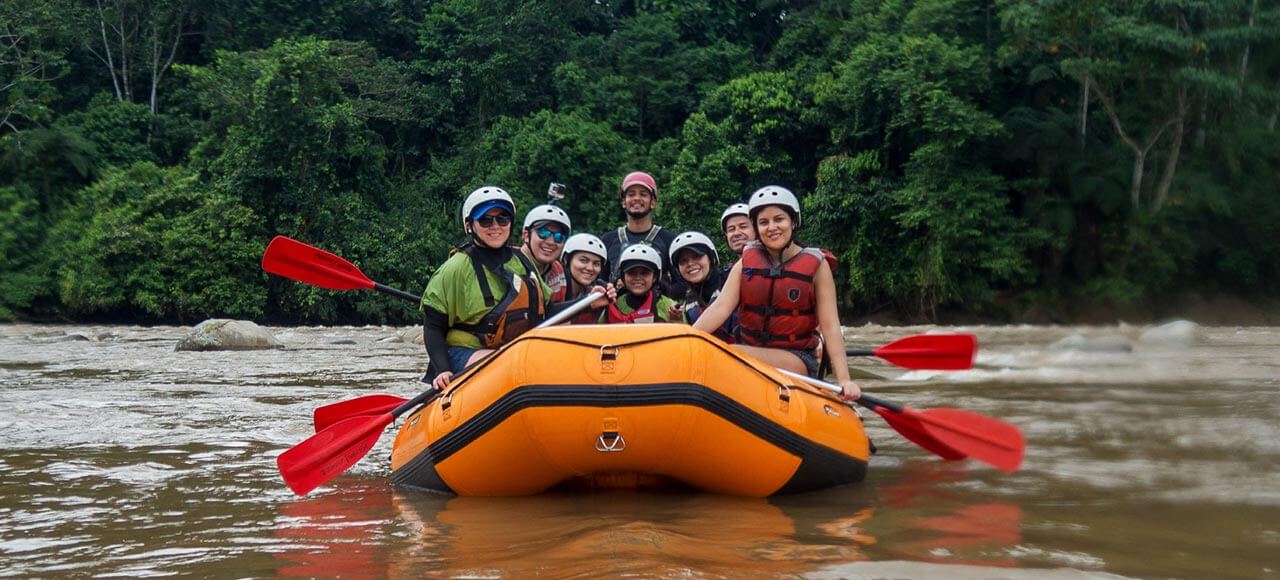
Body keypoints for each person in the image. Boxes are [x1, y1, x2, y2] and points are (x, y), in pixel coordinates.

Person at [421, 186, 613, 390]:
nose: (495, 226)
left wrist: (587, 303)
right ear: (470, 226)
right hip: (462, 352)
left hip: (510, 351)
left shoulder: (523, 263)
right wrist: (442, 369)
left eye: (502, 219)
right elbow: (433, 325)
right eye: (486, 220)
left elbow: (545, 313)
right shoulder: (455, 268)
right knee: (511, 364)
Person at [691, 186, 861, 401]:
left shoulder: (818, 266)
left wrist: (844, 380)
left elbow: (830, 326)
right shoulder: (746, 263)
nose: (772, 228)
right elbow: (720, 308)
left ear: (793, 222)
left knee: (726, 352)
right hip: (751, 350)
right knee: (720, 351)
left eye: (779, 219)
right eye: (763, 222)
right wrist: (688, 338)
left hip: (796, 358)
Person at [602, 171, 680, 292]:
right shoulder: (608, 240)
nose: (637, 198)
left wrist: (651, 286)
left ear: (653, 202)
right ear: (623, 201)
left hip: (656, 308)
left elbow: (681, 285)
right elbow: (598, 282)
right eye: (631, 194)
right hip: (616, 308)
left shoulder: (668, 240)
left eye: (643, 194)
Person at [665, 232, 736, 341]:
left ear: (711, 258)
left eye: (697, 256)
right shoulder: (688, 302)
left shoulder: (732, 280)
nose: (690, 264)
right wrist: (678, 321)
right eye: (683, 261)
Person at [600, 244, 680, 324]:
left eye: (645, 273)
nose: (638, 278)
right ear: (623, 276)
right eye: (632, 273)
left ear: (655, 277)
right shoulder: (615, 304)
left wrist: (675, 320)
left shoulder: (670, 307)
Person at [520, 204, 572, 301]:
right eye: (543, 233)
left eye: (559, 237)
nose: (551, 242)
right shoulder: (507, 266)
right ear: (526, 235)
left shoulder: (562, 273)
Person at [560, 232, 609, 324]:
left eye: (596, 264)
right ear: (566, 259)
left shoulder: (596, 295)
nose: (590, 268)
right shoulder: (553, 290)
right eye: (583, 260)